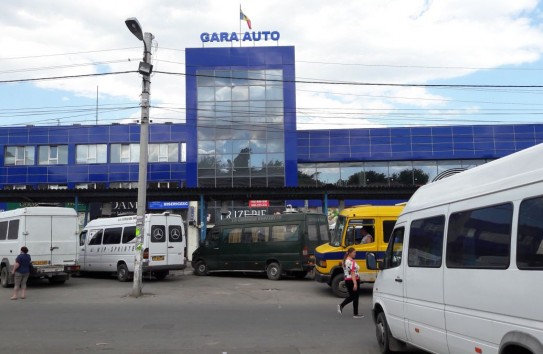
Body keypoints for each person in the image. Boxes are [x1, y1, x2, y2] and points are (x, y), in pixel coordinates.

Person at [337, 247, 364, 318]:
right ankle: (355, 313)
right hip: (352, 280)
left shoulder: (345, 260)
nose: (355, 254)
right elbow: (352, 273)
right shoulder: (351, 262)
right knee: (355, 297)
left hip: (348, 280)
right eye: (354, 252)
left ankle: (342, 306)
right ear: (350, 253)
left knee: (353, 297)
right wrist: (355, 283)